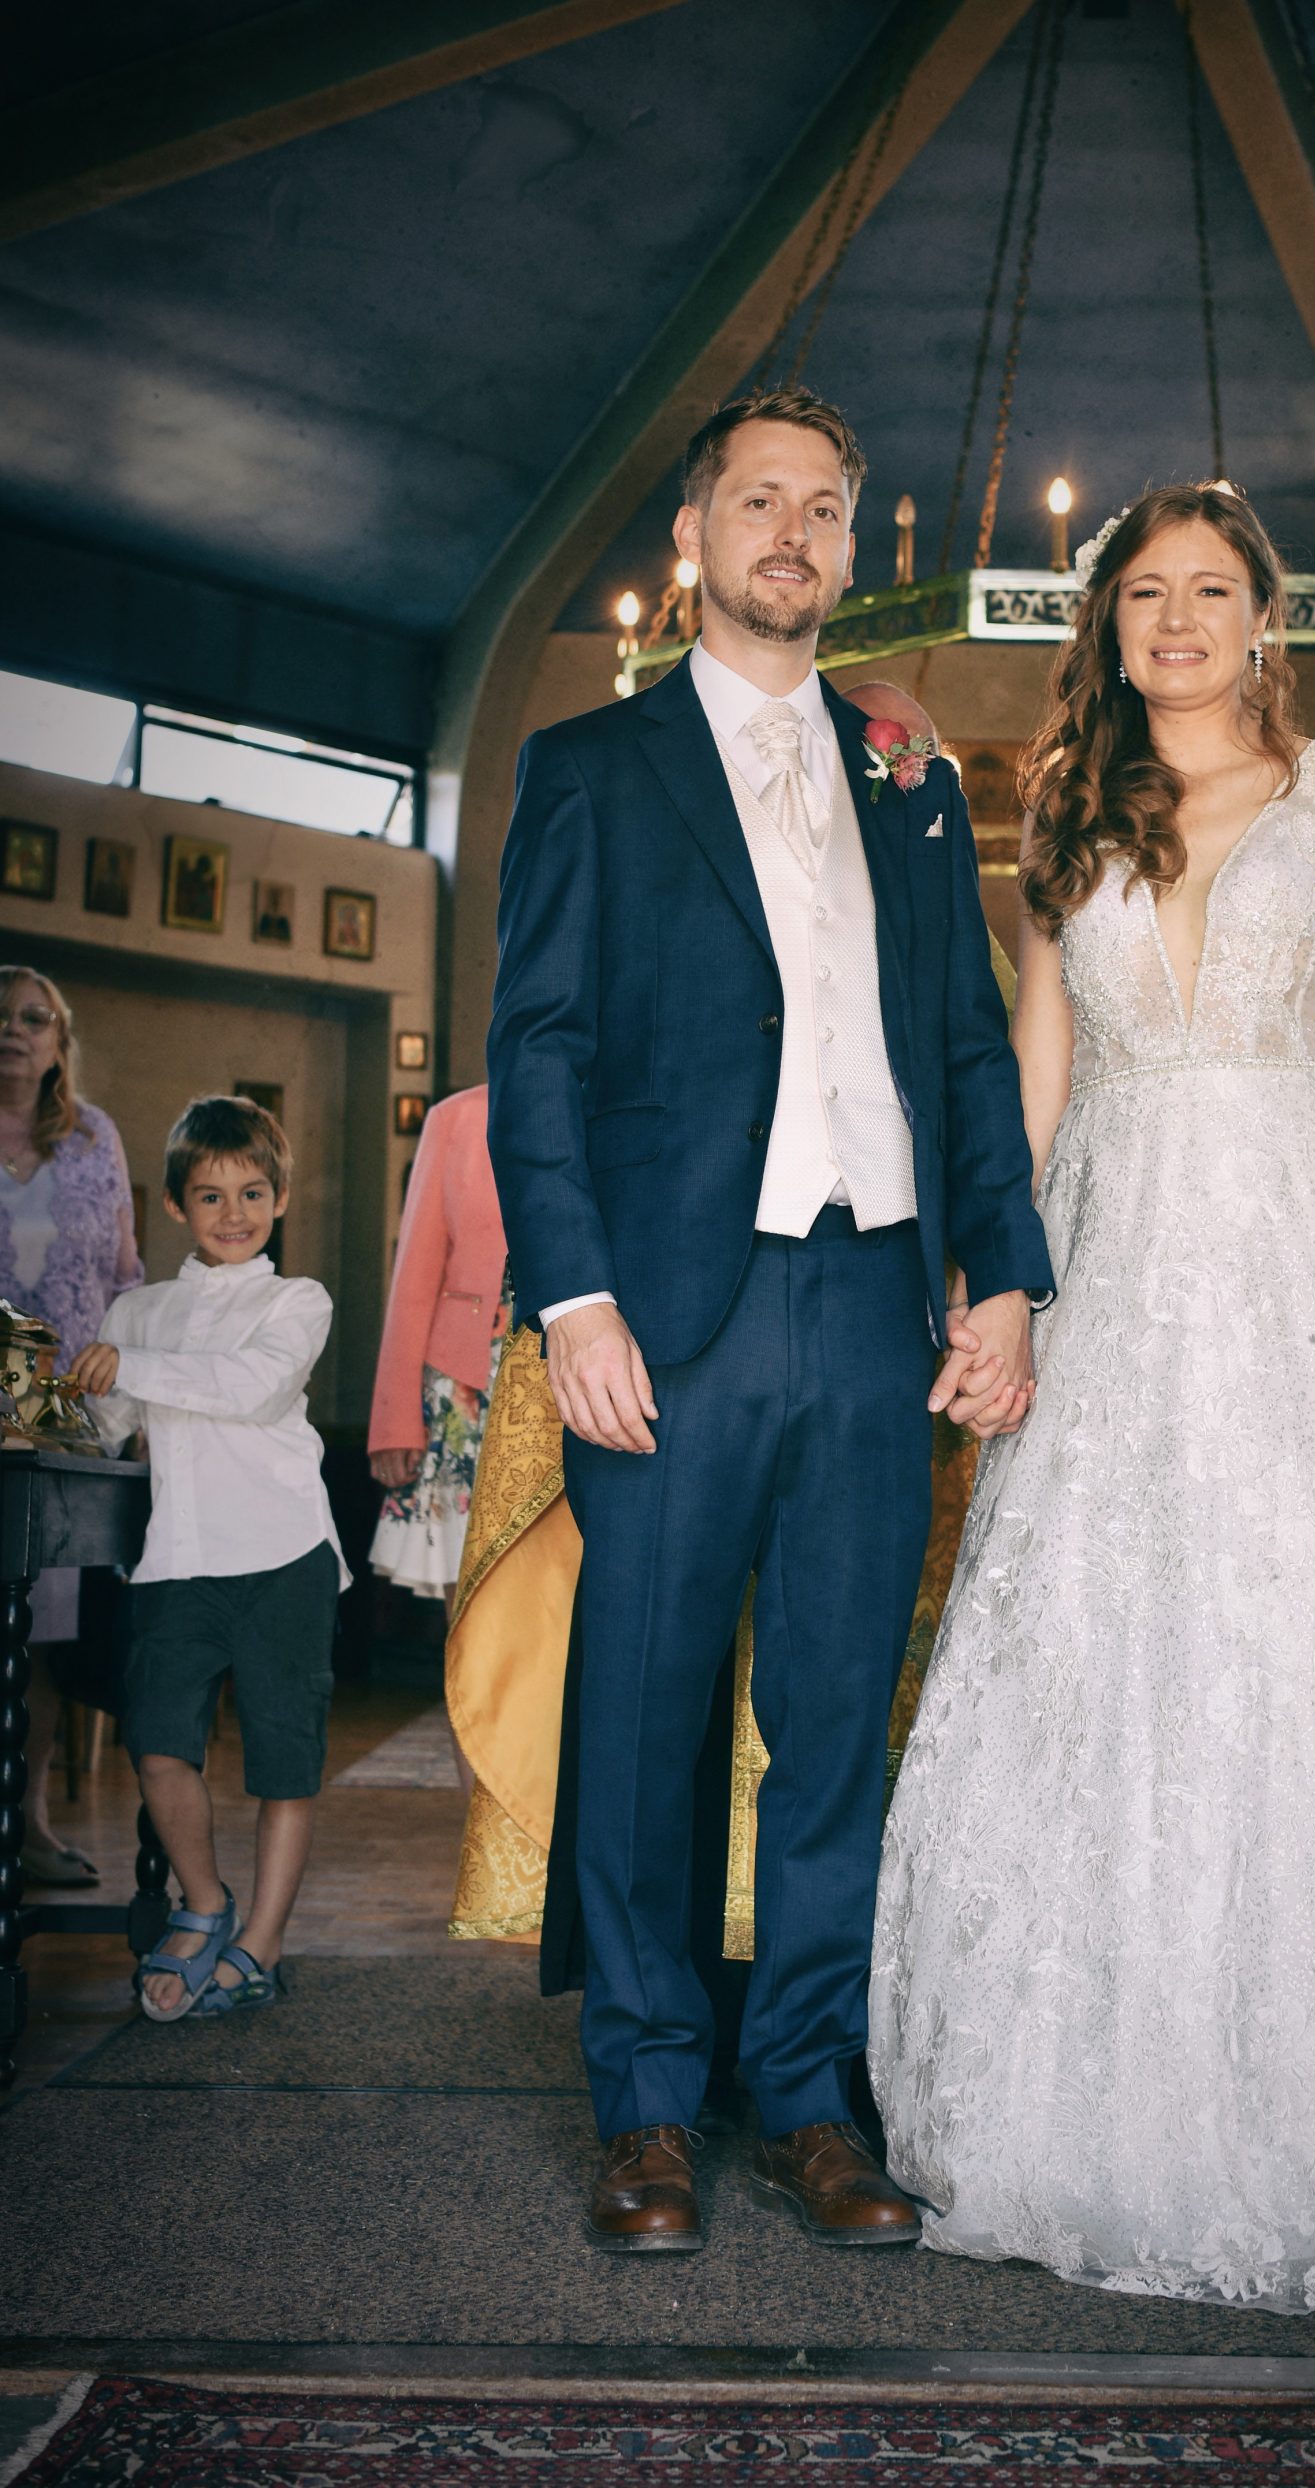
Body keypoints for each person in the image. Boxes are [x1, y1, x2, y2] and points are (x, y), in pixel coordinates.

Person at [869, 484, 1315, 2313]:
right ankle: (1094, 2099)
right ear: (1111, 624)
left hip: (1308, 1236)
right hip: (1114, 1251)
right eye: (1147, 594)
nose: (1178, 621)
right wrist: (997, 1287)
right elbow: (1037, 1073)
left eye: (1212, 592)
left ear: (1266, 622)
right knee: (1119, 1639)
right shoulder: (1059, 807)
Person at [486, 383, 1053, 2256]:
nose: (792, 532)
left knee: (832, 1727)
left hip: (872, 1308)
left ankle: (809, 2090)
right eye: (758, 501)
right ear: (698, 535)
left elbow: (969, 1054)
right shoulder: (589, 766)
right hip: (671, 1307)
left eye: (824, 504)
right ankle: (649, 2100)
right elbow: (539, 1051)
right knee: (644, 1713)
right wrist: (571, 1293)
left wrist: (1012, 1272)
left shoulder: (917, 780)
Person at [75, 1095, 348, 2020]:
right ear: (176, 1208)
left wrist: (127, 1366)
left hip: (284, 1559)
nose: (233, 1214)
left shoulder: (296, 1301)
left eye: (252, 1193)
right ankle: (203, 1903)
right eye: (210, 1196)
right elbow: (108, 1428)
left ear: (279, 1200)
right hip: (178, 1562)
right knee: (158, 1749)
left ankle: (262, 1942)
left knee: (284, 1760)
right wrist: (62, 1391)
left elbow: (248, 1388)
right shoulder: (136, 1311)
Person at [0, 966, 143, 1887]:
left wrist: (124, 1401)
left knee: (43, 1626)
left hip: (60, 1417)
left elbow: (127, 1277)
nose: (13, 1030)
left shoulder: (96, 1138)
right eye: (0, 1017)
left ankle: (28, 1817)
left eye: (32, 1018)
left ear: (59, 1040)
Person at [368, 1084, 508, 1766]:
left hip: (573, 1384)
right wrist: (393, 1418)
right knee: (475, 1629)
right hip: (462, 1396)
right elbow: (414, 1271)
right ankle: (482, 1845)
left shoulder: (614, 1098)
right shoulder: (455, 1119)